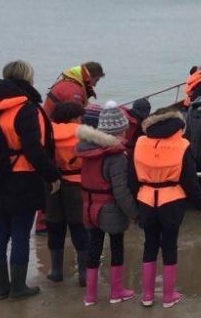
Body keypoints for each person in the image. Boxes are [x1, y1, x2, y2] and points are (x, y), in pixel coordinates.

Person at [0, 60, 59, 300]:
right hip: (22, 178)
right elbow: (33, 149)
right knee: (20, 233)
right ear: (28, 79)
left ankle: (1, 288)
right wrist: (52, 175)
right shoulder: (26, 108)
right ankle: (18, 288)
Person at [133, 107, 201, 308]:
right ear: (178, 127)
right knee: (169, 245)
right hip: (171, 201)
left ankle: (147, 296)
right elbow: (190, 180)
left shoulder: (140, 143)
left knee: (149, 244)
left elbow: (133, 176)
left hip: (146, 199)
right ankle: (168, 296)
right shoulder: (182, 145)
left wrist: (133, 205)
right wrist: (200, 203)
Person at [75, 101, 140, 306]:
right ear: (120, 131)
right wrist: (134, 213)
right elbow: (120, 190)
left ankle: (90, 296)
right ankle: (116, 292)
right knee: (116, 247)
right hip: (110, 208)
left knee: (94, 247)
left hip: (88, 206)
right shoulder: (116, 155)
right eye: (124, 131)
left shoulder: (86, 150)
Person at [40, 61, 104, 234]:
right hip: (61, 138)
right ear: (90, 76)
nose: (96, 85)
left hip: (52, 134)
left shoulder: (68, 83)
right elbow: (75, 115)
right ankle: (48, 223)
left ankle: (47, 222)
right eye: (96, 80)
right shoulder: (73, 91)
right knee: (63, 182)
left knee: (51, 183)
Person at [45, 102, 89, 286]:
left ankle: (56, 271)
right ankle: (84, 274)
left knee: (55, 226)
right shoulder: (83, 134)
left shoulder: (47, 133)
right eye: (80, 116)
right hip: (77, 184)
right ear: (73, 118)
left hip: (53, 185)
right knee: (79, 227)